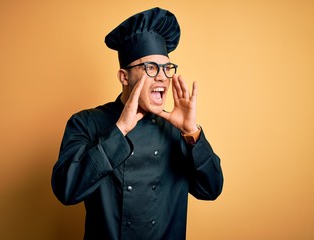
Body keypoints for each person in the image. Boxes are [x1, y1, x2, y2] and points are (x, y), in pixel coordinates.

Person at [51, 7, 223, 240]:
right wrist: (119, 130)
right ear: (124, 76)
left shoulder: (179, 130)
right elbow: (66, 191)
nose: (162, 76)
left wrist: (191, 133)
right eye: (150, 67)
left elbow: (211, 190)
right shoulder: (85, 123)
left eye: (166, 68)